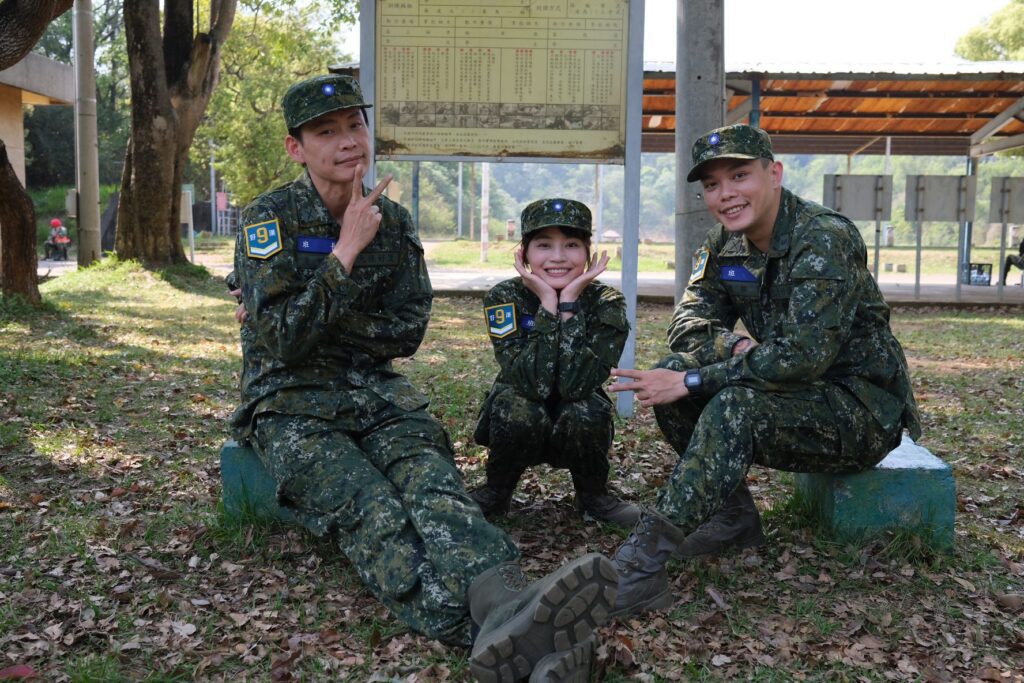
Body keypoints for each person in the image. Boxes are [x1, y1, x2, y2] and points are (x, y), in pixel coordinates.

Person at [230, 73, 617, 680]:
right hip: (289, 403)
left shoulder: (399, 221)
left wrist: (313, 319)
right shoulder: (268, 220)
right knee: (372, 508)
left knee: (434, 486)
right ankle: (499, 634)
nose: (347, 142)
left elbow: (405, 331)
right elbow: (279, 343)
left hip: (377, 393)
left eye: (354, 125)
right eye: (325, 132)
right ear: (296, 148)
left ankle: (507, 602)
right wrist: (345, 254)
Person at [607, 124, 921, 617]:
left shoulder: (822, 237)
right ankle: (734, 518)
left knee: (719, 397)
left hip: (858, 410)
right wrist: (732, 344)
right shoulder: (723, 244)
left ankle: (641, 564)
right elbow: (687, 327)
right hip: (788, 395)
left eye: (739, 175)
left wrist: (696, 378)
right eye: (712, 185)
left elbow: (802, 356)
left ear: (773, 174)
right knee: (670, 372)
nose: (725, 194)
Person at [469, 198, 640, 527]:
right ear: (524, 253)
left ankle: (594, 496)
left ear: (588, 251)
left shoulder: (606, 302)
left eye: (572, 245)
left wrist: (570, 303)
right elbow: (529, 382)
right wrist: (548, 303)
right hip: (519, 414)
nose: (558, 257)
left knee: (585, 407)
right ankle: (497, 491)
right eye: (544, 245)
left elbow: (578, 384)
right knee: (518, 405)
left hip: (576, 419)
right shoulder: (505, 297)